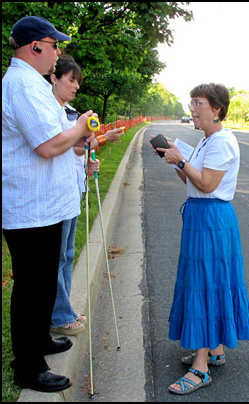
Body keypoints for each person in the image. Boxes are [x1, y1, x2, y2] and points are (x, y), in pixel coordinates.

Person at [2, 16, 99, 393]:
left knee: (42, 284)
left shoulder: (35, 84)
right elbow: (46, 145)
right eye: (54, 44)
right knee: (31, 287)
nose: (58, 52)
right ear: (35, 46)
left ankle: (39, 340)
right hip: (30, 209)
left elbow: (56, 140)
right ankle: (28, 366)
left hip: (45, 207)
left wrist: (78, 136)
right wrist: (81, 126)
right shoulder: (21, 85)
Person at [153, 83, 249, 395]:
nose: (192, 109)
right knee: (209, 282)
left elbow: (208, 184)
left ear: (216, 109)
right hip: (201, 217)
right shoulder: (207, 140)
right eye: (191, 102)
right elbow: (191, 180)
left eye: (198, 103)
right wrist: (175, 159)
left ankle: (200, 369)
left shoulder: (222, 142)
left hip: (211, 218)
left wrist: (181, 161)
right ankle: (216, 348)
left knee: (205, 284)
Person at [43, 55, 124, 336]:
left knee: (65, 254)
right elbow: (55, 146)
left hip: (71, 190)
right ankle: (58, 314)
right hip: (55, 195)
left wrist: (90, 156)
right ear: (54, 77)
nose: (76, 86)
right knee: (57, 258)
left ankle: (61, 309)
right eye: (71, 80)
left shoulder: (69, 111)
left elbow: (76, 148)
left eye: (78, 81)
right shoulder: (50, 111)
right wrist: (96, 140)